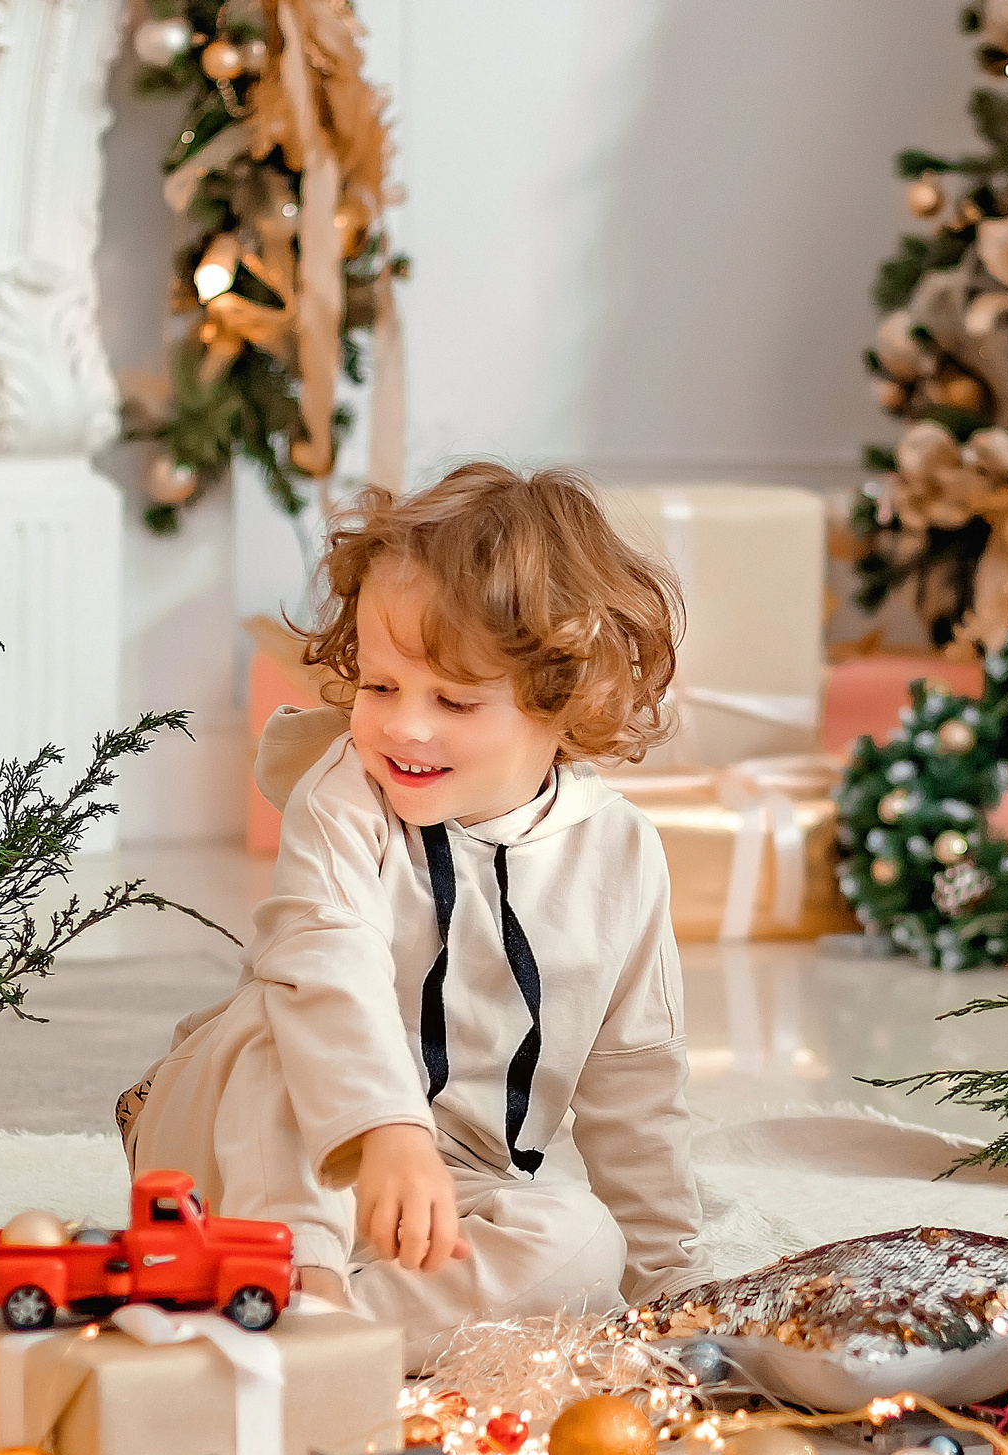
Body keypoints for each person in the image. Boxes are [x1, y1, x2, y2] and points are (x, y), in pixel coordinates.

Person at [120, 461, 709, 1364]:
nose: (405, 728)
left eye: (455, 700)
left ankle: (331, 1328)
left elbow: (638, 1091)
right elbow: (326, 960)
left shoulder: (622, 858)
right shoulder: (344, 798)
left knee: (586, 1250)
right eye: (382, 686)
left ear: (568, 701)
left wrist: (675, 1293)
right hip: (252, 1147)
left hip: (447, 1185)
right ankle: (292, 1284)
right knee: (289, 1013)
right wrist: (385, 1128)